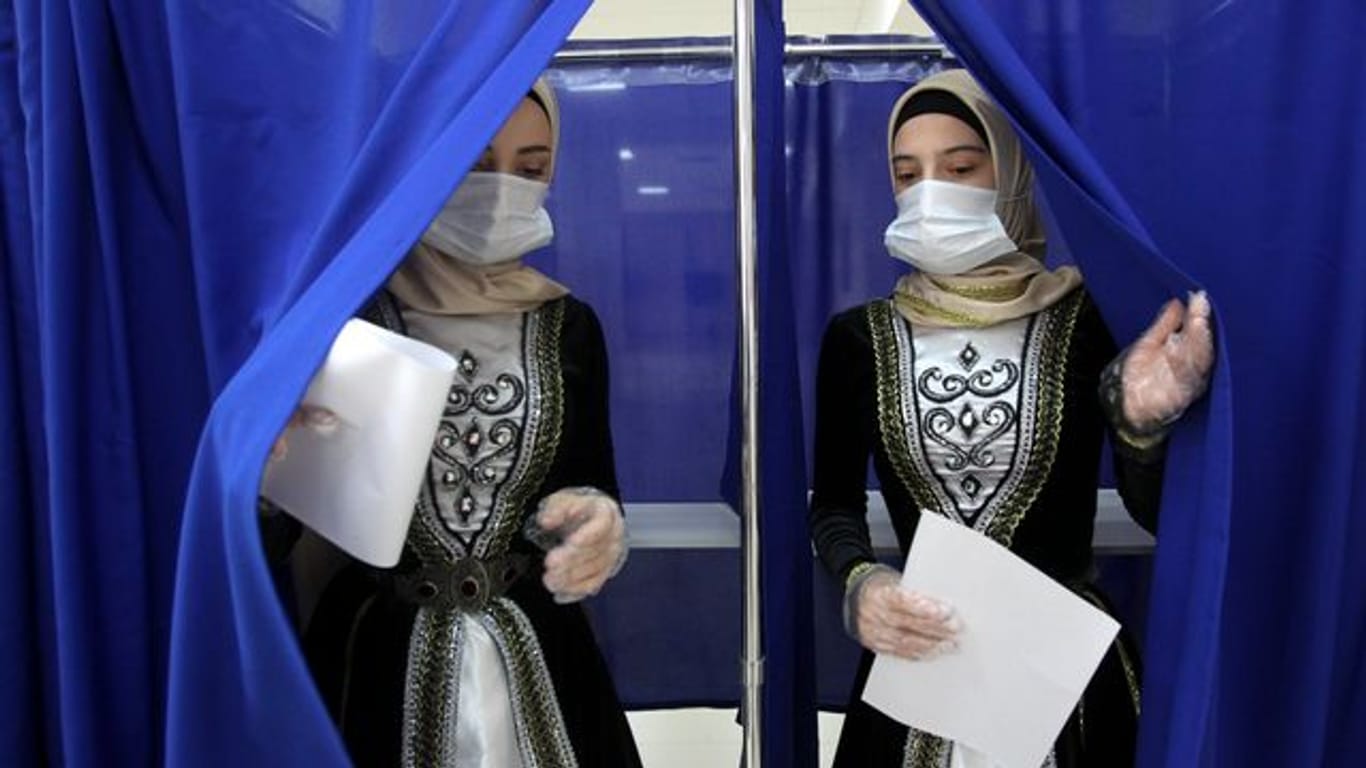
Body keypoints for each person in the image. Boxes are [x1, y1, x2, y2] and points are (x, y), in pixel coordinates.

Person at [809, 69, 1214, 767]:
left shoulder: (1088, 318)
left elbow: (1162, 516)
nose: (931, 192)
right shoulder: (859, 338)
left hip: (1064, 678)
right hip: (924, 676)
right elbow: (833, 505)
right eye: (908, 175)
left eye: (961, 167)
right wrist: (860, 582)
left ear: (1013, 173)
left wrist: (1144, 428)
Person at [266, 79, 642, 767]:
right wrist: (264, 471)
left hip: (536, 646)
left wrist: (593, 521)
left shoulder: (567, 325)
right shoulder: (346, 320)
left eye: (530, 170)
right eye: (474, 162)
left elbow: (590, 477)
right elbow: (276, 531)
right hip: (378, 651)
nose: (503, 191)